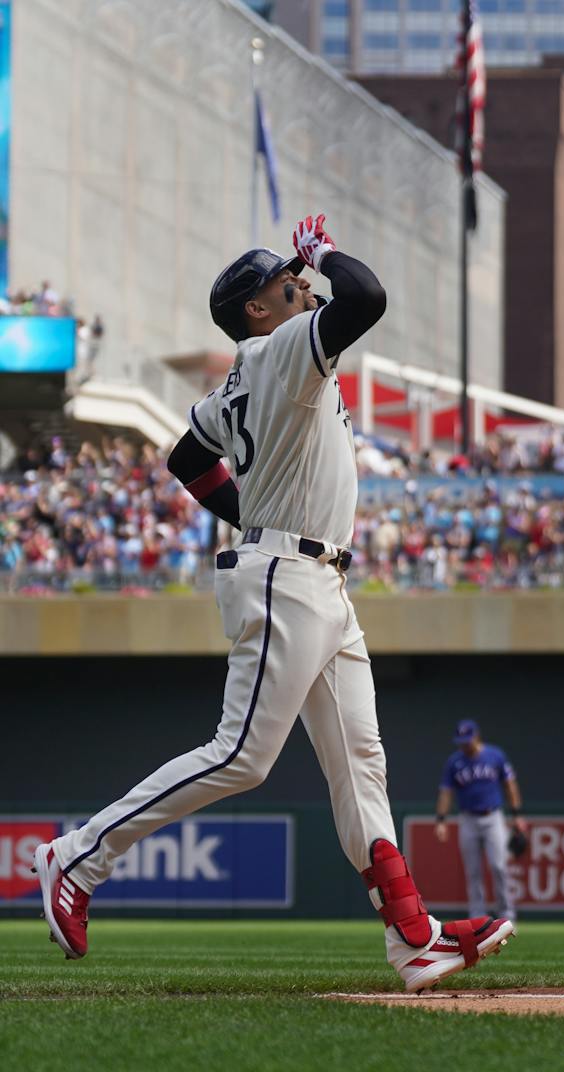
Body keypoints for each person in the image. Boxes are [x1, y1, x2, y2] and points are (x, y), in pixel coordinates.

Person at [30, 216, 513, 993]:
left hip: (313, 574)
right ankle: (80, 855)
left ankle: (413, 937)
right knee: (242, 756)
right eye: (283, 281)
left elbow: (186, 456)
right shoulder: (283, 347)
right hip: (285, 574)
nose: (299, 282)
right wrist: (320, 250)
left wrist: (252, 515)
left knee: (362, 765)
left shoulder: (250, 367)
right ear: (257, 308)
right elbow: (367, 296)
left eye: (298, 274)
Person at [435, 720, 529, 921]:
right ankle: (477, 916)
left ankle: (506, 914)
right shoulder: (454, 762)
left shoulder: (495, 755)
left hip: (493, 817)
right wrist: (441, 819)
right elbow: (446, 792)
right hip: (468, 819)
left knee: (499, 866)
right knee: (473, 871)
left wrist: (517, 814)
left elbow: (510, 785)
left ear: (476, 737)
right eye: (461, 741)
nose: (464, 745)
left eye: (467, 740)